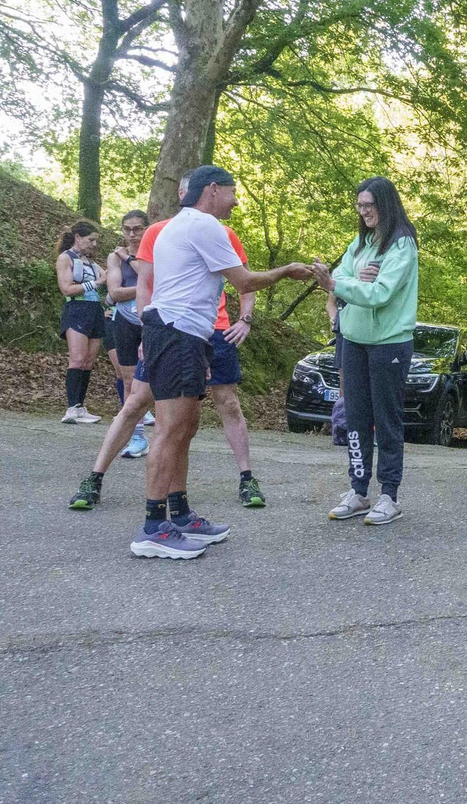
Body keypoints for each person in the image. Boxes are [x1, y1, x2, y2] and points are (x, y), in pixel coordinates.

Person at [128, 166, 309, 558]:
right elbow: (243, 281)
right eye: (232, 192)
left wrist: (200, 350)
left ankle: (179, 514)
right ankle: (152, 527)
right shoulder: (203, 226)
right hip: (175, 332)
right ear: (212, 190)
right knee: (170, 428)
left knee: (186, 425)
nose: (236, 200)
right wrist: (287, 271)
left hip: (186, 334)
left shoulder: (179, 225)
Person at [67, 183, 274, 513]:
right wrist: (149, 335)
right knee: (139, 402)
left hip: (214, 331)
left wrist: (245, 319)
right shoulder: (158, 232)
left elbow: (244, 279)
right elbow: (145, 286)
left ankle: (243, 479)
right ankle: (96, 478)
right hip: (170, 333)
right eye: (179, 188)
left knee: (222, 404)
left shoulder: (221, 231)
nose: (182, 194)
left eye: (187, 188)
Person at [315, 178, 420, 524]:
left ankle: (389, 495)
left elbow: (381, 293)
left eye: (369, 205)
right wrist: (359, 276)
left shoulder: (402, 245)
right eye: (360, 206)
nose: (364, 212)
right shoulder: (361, 243)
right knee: (355, 419)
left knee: (386, 421)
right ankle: (358, 491)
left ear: (385, 205)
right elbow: (343, 276)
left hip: (389, 343)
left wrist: (342, 283)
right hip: (353, 339)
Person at [106, 211, 150, 459]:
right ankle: (137, 437)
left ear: (147, 228)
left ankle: (166, 434)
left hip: (153, 320)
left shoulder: (156, 250)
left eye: (137, 229)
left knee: (159, 378)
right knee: (128, 379)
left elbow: (157, 281)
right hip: (124, 320)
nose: (132, 234)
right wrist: (143, 288)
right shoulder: (115, 257)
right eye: (127, 229)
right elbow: (114, 292)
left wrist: (140, 285)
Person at [55, 220, 106, 424]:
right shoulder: (65, 258)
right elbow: (66, 289)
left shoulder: (91, 263)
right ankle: (71, 408)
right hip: (76, 309)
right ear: (78, 238)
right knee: (77, 359)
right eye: (90, 240)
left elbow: (108, 277)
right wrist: (95, 283)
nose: (94, 244)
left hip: (95, 310)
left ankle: (81, 406)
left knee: (88, 362)